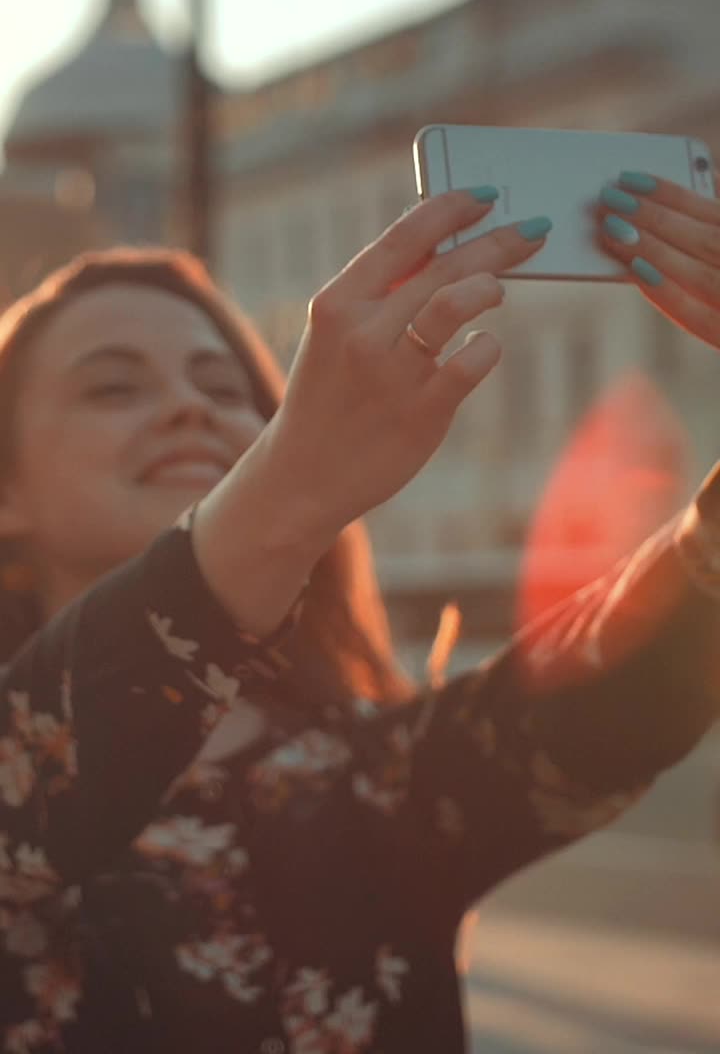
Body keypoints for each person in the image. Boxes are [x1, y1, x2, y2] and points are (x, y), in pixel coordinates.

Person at [0, 175, 718, 1054]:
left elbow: (634, 675)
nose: (190, 406)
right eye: (113, 388)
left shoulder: (385, 773)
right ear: (7, 491)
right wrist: (290, 494)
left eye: (224, 387)